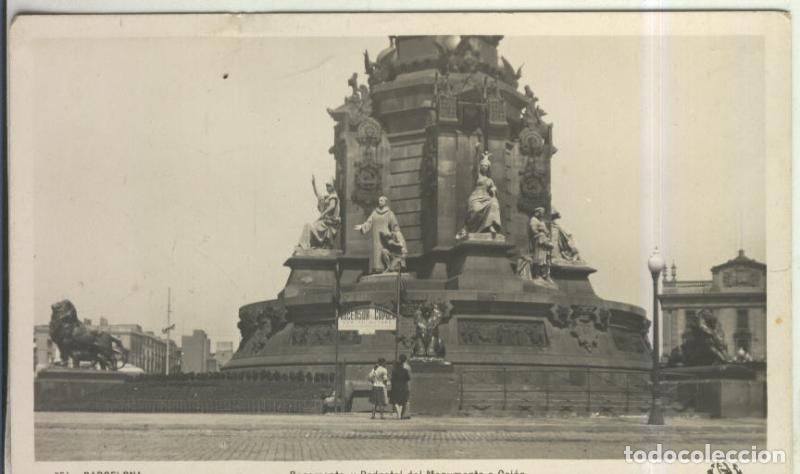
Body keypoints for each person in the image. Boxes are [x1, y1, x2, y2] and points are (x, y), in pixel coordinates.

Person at [459, 149, 502, 238]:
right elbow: (475, 166)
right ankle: (470, 227)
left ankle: (490, 226)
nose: (483, 167)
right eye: (482, 165)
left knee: (494, 203)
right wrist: (477, 151)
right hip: (476, 197)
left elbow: (495, 190)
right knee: (475, 209)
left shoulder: (490, 180)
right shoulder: (477, 176)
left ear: (488, 168)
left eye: (485, 166)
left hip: (486, 197)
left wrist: (494, 189)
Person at [354, 196, 401, 273]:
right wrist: (362, 226)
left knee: (385, 251)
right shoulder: (375, 213)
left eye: (382, 200)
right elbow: (369, 222)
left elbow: (395, 225)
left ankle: (388, 267)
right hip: (376, 237)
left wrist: (396, 234)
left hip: (385, 236)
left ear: (385, 202)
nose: (380, 202)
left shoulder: (389, 213)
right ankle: (378, 269)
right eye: (379, 200)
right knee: (376, 252)